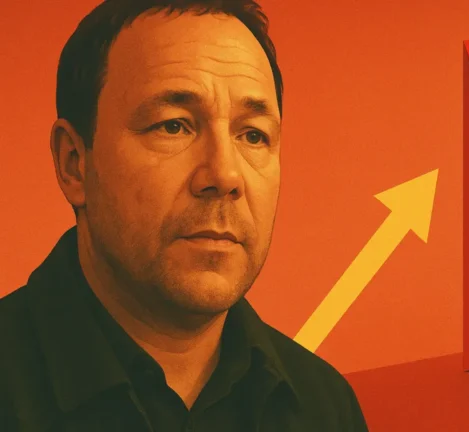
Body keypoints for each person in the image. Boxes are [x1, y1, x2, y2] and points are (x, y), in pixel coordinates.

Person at [0, 1, 369, 431]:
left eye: (253, 135)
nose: (225, 175)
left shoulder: (323, 406)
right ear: (74, 163)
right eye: (173, 125)